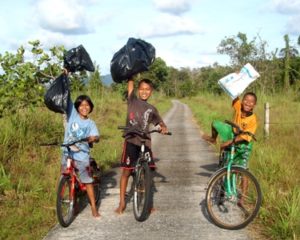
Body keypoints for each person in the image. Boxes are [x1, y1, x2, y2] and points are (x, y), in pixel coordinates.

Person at [115, 77, 168, 214]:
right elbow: (130, 84)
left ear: (151, 92)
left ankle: (147, 203)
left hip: (145, 142)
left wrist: (163, 127)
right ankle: (122, 203)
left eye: (147, 90)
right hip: (131, 140)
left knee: (147, 173)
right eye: (142, 89)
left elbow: (159, 123)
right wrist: (132, 72)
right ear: (138, 90)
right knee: (126, 171)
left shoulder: (152, 109)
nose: (144, 92)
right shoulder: (132, 100)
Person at [61, 68, 100, 218]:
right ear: (77, 107)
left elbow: (96, 136)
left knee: (87, 180)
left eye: (87, 105)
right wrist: (65, 75)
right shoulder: (71, 113)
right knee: (64, 176)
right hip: (66, 151)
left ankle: (94, 209)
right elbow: (67, 93)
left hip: (82, 154)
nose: (84, 108)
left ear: (90, 107)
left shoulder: (90, 123)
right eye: (81, 105)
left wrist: (92, 138)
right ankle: (73, 205)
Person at [202, 92, 257, 168]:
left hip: (244, 143)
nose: (248, 103)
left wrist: (228, 142)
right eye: (246, 100)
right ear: (242, 101)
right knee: (215, 124)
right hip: (232, 133)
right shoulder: (239, 107)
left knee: (243, 169)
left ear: (254, 105)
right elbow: (233, 94)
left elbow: (245, 137)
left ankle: (243, 176)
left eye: (251, 102)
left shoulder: (253, 119)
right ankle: (213, 139)